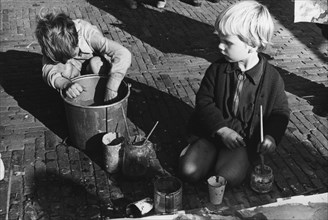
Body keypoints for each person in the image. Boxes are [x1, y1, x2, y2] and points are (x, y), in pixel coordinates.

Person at [179, 1, 290, 186]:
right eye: (219, 40)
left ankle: (222, 158)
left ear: (252, 45)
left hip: (241, 141)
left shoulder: (272, 78)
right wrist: (221, 130)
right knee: (188, 172)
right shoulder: (217, 69)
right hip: (212, 132)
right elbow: (204, 101)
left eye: (227, 42)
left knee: (230, 178)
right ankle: (205, 150)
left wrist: (271, 136)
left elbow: (280, 113)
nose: (220, 47)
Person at [35, 12, 132, 102]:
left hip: (92, 66)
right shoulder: (51, 45)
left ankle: (99, 90)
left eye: (70, 55)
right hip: (75, 72)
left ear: (76, 42)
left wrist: (111, 88)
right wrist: (66, 84)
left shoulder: (88, 33)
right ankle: (74, 91)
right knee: (65, 69)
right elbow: (49, 73)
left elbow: (123, 53)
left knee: (96, 64)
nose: (66, 60)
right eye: (63, 58)